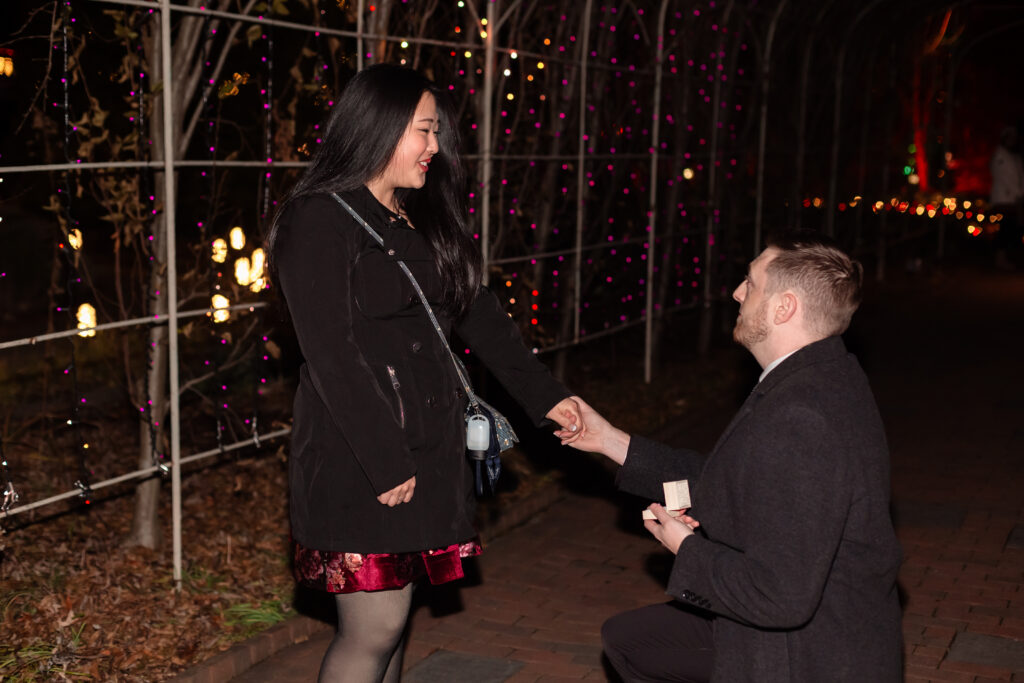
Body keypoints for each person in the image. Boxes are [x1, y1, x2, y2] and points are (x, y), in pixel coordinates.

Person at [267, 64, 585, 683]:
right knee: (374, 628)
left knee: (396, 623)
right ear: (378, 127)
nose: (435, 148)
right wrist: (385, 459)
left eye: (435, 132)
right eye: (424, 130)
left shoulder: (418, 216)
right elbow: (331, 353)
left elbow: (484, 319)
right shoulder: (318, 220)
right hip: (362, 456)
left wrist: (550, 400)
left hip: (431, 452)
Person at [566, 233, 902, 682]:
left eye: (751, 282)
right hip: (808, 628)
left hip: (810, 655)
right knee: (631, 638)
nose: (737, 292)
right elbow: (729, 481)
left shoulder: (803, 417)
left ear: (783, 308)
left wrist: (684, 548)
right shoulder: (818, 375)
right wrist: (610, 441)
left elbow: (780, 596)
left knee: (638, 644)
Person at [990, 125, 1024, 270]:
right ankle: (1001, 259)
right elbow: (1006, 178)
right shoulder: (1000, 156)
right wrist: (1017, 194)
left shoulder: (1014, 157)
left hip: (1014, 199)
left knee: (1012, 229)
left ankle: (1008, 258)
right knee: (1006, 228)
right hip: (1004, 199)